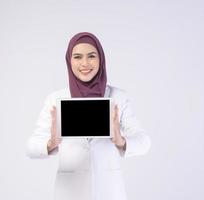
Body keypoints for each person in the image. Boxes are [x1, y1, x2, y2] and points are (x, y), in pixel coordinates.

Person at [26, 32, 151, 200]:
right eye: (77, 57)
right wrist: (50, 143)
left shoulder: (118, 97)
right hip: (69, 192)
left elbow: (144, 142)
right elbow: (30, 146)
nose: (85, 63)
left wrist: (121, 141)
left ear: (101, 59)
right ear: (69, 61)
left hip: (108, 191)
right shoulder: (55, 99)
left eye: (91, 56)